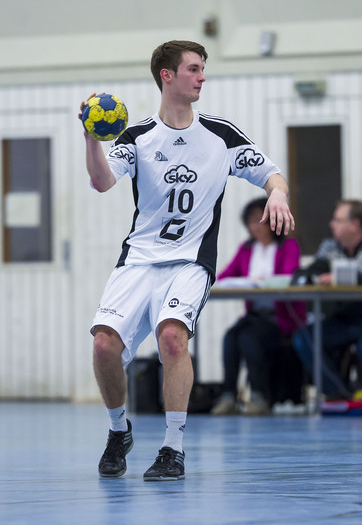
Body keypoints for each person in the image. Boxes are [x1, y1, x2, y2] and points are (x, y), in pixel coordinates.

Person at [79, 40, 295, 481]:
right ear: (167, 75)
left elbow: (272, 174)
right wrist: (90, 139)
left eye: (202, 68)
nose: (202, 76)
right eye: (193, 69)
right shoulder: (136, 137)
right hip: (139, 260)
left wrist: (277, 194)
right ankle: (119, 431)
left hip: (190, 262)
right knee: (104, 346)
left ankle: (172, 449)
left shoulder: (220, 135)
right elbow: (101, 182)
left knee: (173, 339)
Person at [293, 199, 362, 402]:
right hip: (343, 319)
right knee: (303, 337)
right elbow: (308, 272)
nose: (332, 224)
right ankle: (336, 391)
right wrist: (312, 279)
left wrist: (340, 277)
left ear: (355, 224)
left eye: (337, 220)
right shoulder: (330, 246)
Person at [211, 197, 306, 415]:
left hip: (280, 318)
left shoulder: (288, 246)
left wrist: (261, 280)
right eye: (252, 221)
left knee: (248, 338)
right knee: (230, 338)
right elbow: (224, 277)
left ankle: (259, 395)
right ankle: (228, 395)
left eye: (261, 220)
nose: (256, 226)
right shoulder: (246, 249)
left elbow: (288, 276)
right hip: (255, 316)